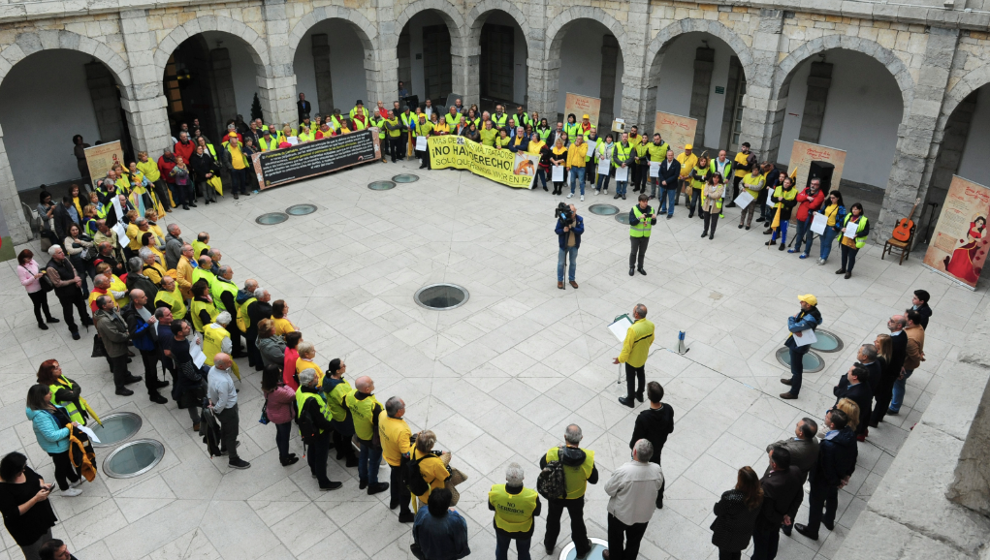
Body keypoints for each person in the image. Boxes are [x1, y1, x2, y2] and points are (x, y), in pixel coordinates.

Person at [794, 408, 858, 541]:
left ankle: (812, 530)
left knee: (816, 504)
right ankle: (829, 520)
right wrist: (846, 475)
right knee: (832, 497)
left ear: (832, 425)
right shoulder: (849, 434)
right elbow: (854, 455)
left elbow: (826, 467)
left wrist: (835, 481)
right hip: (838, 476)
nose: (825, 417)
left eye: (827, 417)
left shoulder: (827, 445)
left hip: (823, 480)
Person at [540, 424, 597, 557]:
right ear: (581, 438)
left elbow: (542, 465)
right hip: (576, 497)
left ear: (565, 437)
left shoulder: (553, 452)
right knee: (577, 522)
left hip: (556, 495)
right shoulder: (587, 458)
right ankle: (582, 548)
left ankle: (549, 545)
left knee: (553, 520)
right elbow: (594, 479)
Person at [602, 439, 663, 560]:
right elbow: (658, 486)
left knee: (615, 540)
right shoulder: (656, 469)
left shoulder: (624, 471)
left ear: (634, 451)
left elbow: (609, 489)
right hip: (643, 516)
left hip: (620, 515)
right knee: (634, 542)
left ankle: (615, 557)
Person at [25, 385, 83, 496]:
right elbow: (51, 436)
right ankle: (64, 489)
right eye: (47, 393)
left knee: (66, 463)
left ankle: (74, 479)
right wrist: (69, 428)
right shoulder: (40, 417)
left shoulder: (46, 404)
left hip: (63, 442)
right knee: (61, 467)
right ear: (40, 397)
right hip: (57, 447)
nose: (51, 393)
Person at [0, 452, 60, 560]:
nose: (24, 470)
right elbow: (12, 513)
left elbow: (37, 477)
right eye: (21, 469)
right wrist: (35, 499)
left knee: (48, 547)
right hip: (26, 528)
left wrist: (41, 484)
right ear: (12, 471)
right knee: (35, 554)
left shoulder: (23, 469)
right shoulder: (3, 490)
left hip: (42, 517)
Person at [751, 447, 803, 560]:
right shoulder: (796, 471)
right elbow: (799, 496)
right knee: (773, 540)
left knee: (761, 547)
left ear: (774, 465)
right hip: (779, 519)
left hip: (764, 523)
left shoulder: (768, 485)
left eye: (770, 458)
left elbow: (768, 512)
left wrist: (781, 519)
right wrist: (789, 514)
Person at [296, 368, 343, 489]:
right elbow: (319, 421)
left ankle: (314, 471)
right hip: (319, 432)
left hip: (308, 430)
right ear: (310, 382)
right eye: (316, 377)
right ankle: (323, 482)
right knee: (321, 457)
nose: (318, 378)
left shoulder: (300, 390)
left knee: (312, 449)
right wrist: (332, 427)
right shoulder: (312, 400)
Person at [629, 381, 673, 508]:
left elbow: (635, 441)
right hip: (657, 449)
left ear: (648, 396)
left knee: (636, 473)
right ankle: (659, 499)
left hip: (643, 452)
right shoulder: (668, 409)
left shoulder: (643, 417)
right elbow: (670, 429)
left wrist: (633, 450)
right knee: (658, 472)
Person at [122, 289, 169, 404]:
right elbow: (133, 334)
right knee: (150, 370)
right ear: (136, 300)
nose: (146, 298)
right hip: (147, 346)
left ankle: (156, 382)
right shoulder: (132, 316)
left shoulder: (142, 306)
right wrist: (147, 324)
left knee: (154, 367)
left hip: (153, 342)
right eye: (143, 297)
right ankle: (153, 394)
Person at [489, 463, 541, 560]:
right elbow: (537, 513)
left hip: (502, 528)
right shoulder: (532, 496)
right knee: (524, 552)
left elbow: (491, 507)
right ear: (523, 478)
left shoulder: (495, 491)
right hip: (524, 530)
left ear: (506, 478)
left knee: (501, 550)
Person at [346, 375, 388, 494]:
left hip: (360, 433)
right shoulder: (374, 406)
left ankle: (363, 480)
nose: (374, 382)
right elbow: (381, 424)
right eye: (371, 382)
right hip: (372, 439)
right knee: (374, 462)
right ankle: (373, 485)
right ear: (367, 390)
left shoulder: (351, 395)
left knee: (363, 457)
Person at [208, 353, 250, 469]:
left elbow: (209, 386)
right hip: (228, 410)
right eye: (228, 362)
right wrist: (216, 409)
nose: (231, 362)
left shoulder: (212, 370)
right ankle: (233, 459)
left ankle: (225, 447)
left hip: (220, 408)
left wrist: (210, 399)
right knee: (232, 433)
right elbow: (223, 401)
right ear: (221, 366)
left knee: (225, 427)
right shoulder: (223, 382)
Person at [94, 295, 139, 395]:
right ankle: (119, 388)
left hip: (121, 344)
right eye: (110, 301)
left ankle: (127, 377)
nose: (113, 302)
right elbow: (115, 336)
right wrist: (128, 335)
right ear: (104, 306)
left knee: (123, 362)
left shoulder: (112, 311)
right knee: (118, 368)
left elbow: (121, 320)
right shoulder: (104, 321)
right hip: (115, 348)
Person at [380, 396, 415, 522]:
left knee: (394, 477)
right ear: (398, 412)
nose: (405, 408)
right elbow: (406, 454)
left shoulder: (383, 414)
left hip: (388, 455)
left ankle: (394, 501)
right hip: (398, 462)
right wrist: (417, 443)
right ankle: (404, 513)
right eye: (403, 406)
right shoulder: (401, 430)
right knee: (404, 486)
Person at [45, 245, 92, 340]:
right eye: (59, 252)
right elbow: (57, 283)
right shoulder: (51, 268)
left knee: (82, 306)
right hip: (65, 294)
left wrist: (77, 279)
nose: (63, 253)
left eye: (62, 251)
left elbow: (73, 268)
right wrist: (73, 281)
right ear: (53, 256)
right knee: (68, 312)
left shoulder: (65, 259)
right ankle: (73, 329)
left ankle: (85, 319)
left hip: (75, 289)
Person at [779, 294, 822, 400]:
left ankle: (794, 392)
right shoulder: (812, 312)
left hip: (798, 344)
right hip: (797, 341)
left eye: (802, 301)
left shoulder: (809, 318)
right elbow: (819, 321)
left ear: (808, 305)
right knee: (795, 365)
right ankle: (793, 380)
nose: (800, 302)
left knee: (796, 369)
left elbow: (792, 327)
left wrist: (791, 318)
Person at [614, 304, 656, 407]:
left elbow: (627, 347)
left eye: (633, 311)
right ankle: (640, 394)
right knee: (641, 374)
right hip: (642, 356)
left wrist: (620, 359)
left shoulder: (632, 329)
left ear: (636, 314)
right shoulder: (651, 325)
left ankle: (630, 399)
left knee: (631, 378)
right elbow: (651, 340)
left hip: (632, 359)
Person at [411, 488, 470, 560]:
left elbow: (415, 533)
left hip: (427, 552)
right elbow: (461, 544)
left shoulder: (422, 512)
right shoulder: (455, 521)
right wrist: (453, 514)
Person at [890, 309, 926, 415]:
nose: (902, 318)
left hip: (905, 367)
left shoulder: (909, 337)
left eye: (905, 317)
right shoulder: (919, 327)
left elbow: (914, 356)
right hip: (907, 365)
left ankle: (894, 408)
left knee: (898, 386)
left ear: (910, 321)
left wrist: (919, 357)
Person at [36, 360, 88, 426]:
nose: (60, 369)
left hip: (79, 414)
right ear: (49, 373)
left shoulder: (59, 377)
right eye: (56, 368)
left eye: (59, 366)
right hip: (73, 421)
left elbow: (75, 385)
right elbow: (73, 395)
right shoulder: (52, 387)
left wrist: (74, 388)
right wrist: (73, 387)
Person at [17, 250, 59, 331]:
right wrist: (34, 277)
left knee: (45, 303)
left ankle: (49, 317)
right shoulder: (20, 268)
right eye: (28, 258)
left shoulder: (32, 261)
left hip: (41, 287)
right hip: (33, 290)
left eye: (30, 258)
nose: (30, 260)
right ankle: (40, 322)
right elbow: (23, 282)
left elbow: (38, 268)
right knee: (37, 306)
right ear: (23, 258)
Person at [410, 430, 452, 508]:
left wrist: (439, 452)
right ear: (431, 446)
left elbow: (425, 453)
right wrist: (447, 463)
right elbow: (447, 477)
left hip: (420, 491)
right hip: (432, 495)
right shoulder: (435, 464)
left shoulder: (413, 448)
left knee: (422, 511)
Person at [833, 364, 873, 441]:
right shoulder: (862, 383)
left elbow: (844, 412)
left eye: (850, 371)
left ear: (855, 377)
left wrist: (834, 409)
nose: (847, 372)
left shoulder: (854, 395)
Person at [625, 194, 658, 277]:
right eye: (643, 202)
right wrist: (639, 218)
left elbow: (653, 223)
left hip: (645, 235)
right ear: (639, 202)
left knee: (642, 253)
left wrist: (654, 218)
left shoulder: (651, 210)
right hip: (635, 235)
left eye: (646, 201)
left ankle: (640, 267)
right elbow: (631, 222)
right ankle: (631, 267)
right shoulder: (634, 209)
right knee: (633, 252)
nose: (645, 203)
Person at [791, 178, 825, 257]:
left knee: (809, 236)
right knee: (799, 233)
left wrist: (804, 199)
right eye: (812, 183)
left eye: (815, 184)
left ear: (819, 185)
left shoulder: (820, 195)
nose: (813, 185)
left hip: (810, 219)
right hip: (800, 216)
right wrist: (807, 198)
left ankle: (806, 252)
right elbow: (798, 198)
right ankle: (797, 248)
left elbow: (812, 206)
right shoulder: (806, 189)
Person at [555, 203, 583, 290]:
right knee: (561, 263)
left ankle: (572, 279)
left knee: (573, 263)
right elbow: (557, 230)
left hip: (574, 245)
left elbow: (581, 230)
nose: (571, 213)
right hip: (564, 245)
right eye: (570, 211)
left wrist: (572, 228)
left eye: (573, 211)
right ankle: (560, 280)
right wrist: (563, 230)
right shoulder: (562, 219)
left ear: (576, 211)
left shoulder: (579, 219)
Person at [837, 202, 869, 279]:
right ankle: (843, 268)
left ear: (860, 210)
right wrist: (842, 228)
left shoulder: (864, 220)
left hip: (854, 241)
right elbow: (841, 224)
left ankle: (849, 271)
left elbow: (866, 232)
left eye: (856, 209)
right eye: (853, 209)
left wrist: (857, 235)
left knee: (851, 257)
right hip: (845, 239)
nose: (854, 211)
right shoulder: (848, 216)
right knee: (844, 255)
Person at [765, 176, 798, 250]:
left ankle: (783, 243)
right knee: (775, 227)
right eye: (785, 182)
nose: (785, 184)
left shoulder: (794, 192)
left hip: (785, 213)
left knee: (783, 229)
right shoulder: (778, 188)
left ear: (790, 184)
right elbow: (772, 198)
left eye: (787, 183)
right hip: (776, 211)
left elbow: (793, 204)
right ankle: (773, 240)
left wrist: (783, 200)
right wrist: (777, 199)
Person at [816, 190, 846, 265]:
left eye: (833, 198)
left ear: (838, 198)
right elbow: (822, 211)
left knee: (827, 243)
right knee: (822, 241)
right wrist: (817, 213)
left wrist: (836, 227)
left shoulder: (841, 208)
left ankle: (824, 257)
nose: (831, 199)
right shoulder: (828, 204)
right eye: (831, 197)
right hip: (823, 225)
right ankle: (821, 255)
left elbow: (842, 219)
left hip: (832, 227)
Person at [736, 162, 765, 230]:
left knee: (751, 212)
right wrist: (742, 188)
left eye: (756, 170)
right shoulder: (747, 175)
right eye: (754, 170)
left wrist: (749, 186)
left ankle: (748, 223)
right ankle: (741, 222)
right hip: (745, 195)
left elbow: (759, 187)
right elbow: (740, 183)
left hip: (753, 197)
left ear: (758, 170)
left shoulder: (761, 178)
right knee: (743, 210)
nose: (755, 171)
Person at [701, 173, 725, 239]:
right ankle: (705, 231)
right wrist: (713, 195)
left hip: (715, 206)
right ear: (712, 177)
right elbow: (705, 192)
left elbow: (718, 195)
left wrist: (709, 194)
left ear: (719, 179)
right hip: (707, 205)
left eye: (717, 178)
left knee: (714, 221)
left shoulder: (721, 186)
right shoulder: (708, 183)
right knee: (706, 220)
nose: (715, 179)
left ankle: (712, 233)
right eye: (714, 177)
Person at [657, 149, 680, 217]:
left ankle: (670, 212)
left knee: (671, 200)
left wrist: (667, 181)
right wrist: (663, 180)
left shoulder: (677, 164)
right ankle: (664, 209)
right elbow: (660, 172)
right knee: (662, 197)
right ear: (666, 155)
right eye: (668, 155)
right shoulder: (664, 162)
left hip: (671, 185)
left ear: (673, 155)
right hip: (663, 184)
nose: (670, 156)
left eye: (671, 155)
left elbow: (676, 175)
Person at [612, 133, 634, 201]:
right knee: (618, 180)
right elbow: (614, 156)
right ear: (621, 137)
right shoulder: (617, 144)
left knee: (625, 180)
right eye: (623, 137)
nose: (624, 138)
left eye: (626, 137)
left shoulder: (631, 146)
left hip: (626, 166)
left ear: (627, 138)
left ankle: (623, 193)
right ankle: (618, 192)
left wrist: (625, 163)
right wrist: (620, 163)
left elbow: (632, 157)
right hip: (619, 165)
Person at [566, 134, 588, 201]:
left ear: (582, 140)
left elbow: (583, 154)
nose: (577, 140)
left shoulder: (585, 145)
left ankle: (582, 194)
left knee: (581, 181)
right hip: (573, 166)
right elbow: (569, 156)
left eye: (579, 139)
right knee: (572, 180)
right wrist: (568, 165)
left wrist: (578, 147)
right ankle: (572, 192)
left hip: (581, 167)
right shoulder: (572, 145)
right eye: (577, 139)